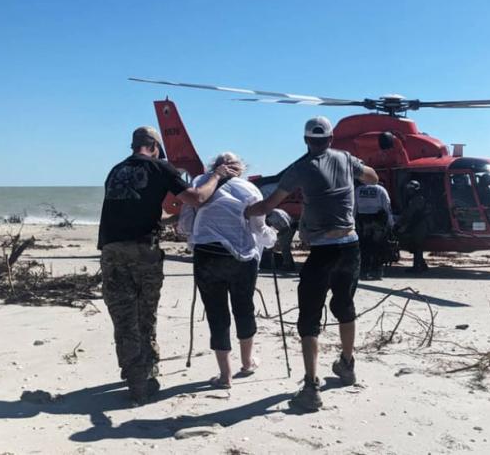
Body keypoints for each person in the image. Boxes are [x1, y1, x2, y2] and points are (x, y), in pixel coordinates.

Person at [245, 116, 380, 412]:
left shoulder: (300, 168)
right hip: (351, 246)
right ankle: (347, 364)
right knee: (345, 306)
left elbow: (268, 206)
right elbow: (372, 177)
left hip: (322, 250)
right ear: (331, 139)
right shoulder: (345, 158)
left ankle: (310, 386)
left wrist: (244, 212)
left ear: (306, 140)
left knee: (309, 317)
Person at [97, 126, 234, 405]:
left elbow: (133, 209)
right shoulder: (160, 168)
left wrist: (164, 222)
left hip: (111, 250)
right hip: (142, 252)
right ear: (154, 146)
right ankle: (143, 377)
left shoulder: (115, 171)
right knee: (145, 315)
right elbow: (196, 198)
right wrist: (218, 175)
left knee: (123, 318)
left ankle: (136, 374)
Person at [178, 152, 277, 389]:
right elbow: (258, 227)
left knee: (216, 312)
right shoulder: (250, 190)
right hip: (242, 257)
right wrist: (272, 237)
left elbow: (185, 225)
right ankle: (247, 362)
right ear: (240, 169)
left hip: (207, 254)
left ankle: (225, 375)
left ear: (215, 167)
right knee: (244, 307)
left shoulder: (200, 183)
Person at [354, 182, 393, 280]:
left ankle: (363, 272)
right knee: (378, 247)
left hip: (363, 221)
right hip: (378, 221)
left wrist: (353, 221)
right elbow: (387, 206)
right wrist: (390, 223)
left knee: (364, 247)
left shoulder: (358, 190)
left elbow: (354, 207)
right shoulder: (380, 189)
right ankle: (377, 272)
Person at [395, 180, 429, 273]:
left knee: (417, 246)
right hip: (416, 224)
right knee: (415, 245)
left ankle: (417, 267)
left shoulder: (417, 199)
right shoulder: (414, 198)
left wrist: (400, 224)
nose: (409, 191)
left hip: (419, 224)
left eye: (410, 190)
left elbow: (410, 213)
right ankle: (422, 265)